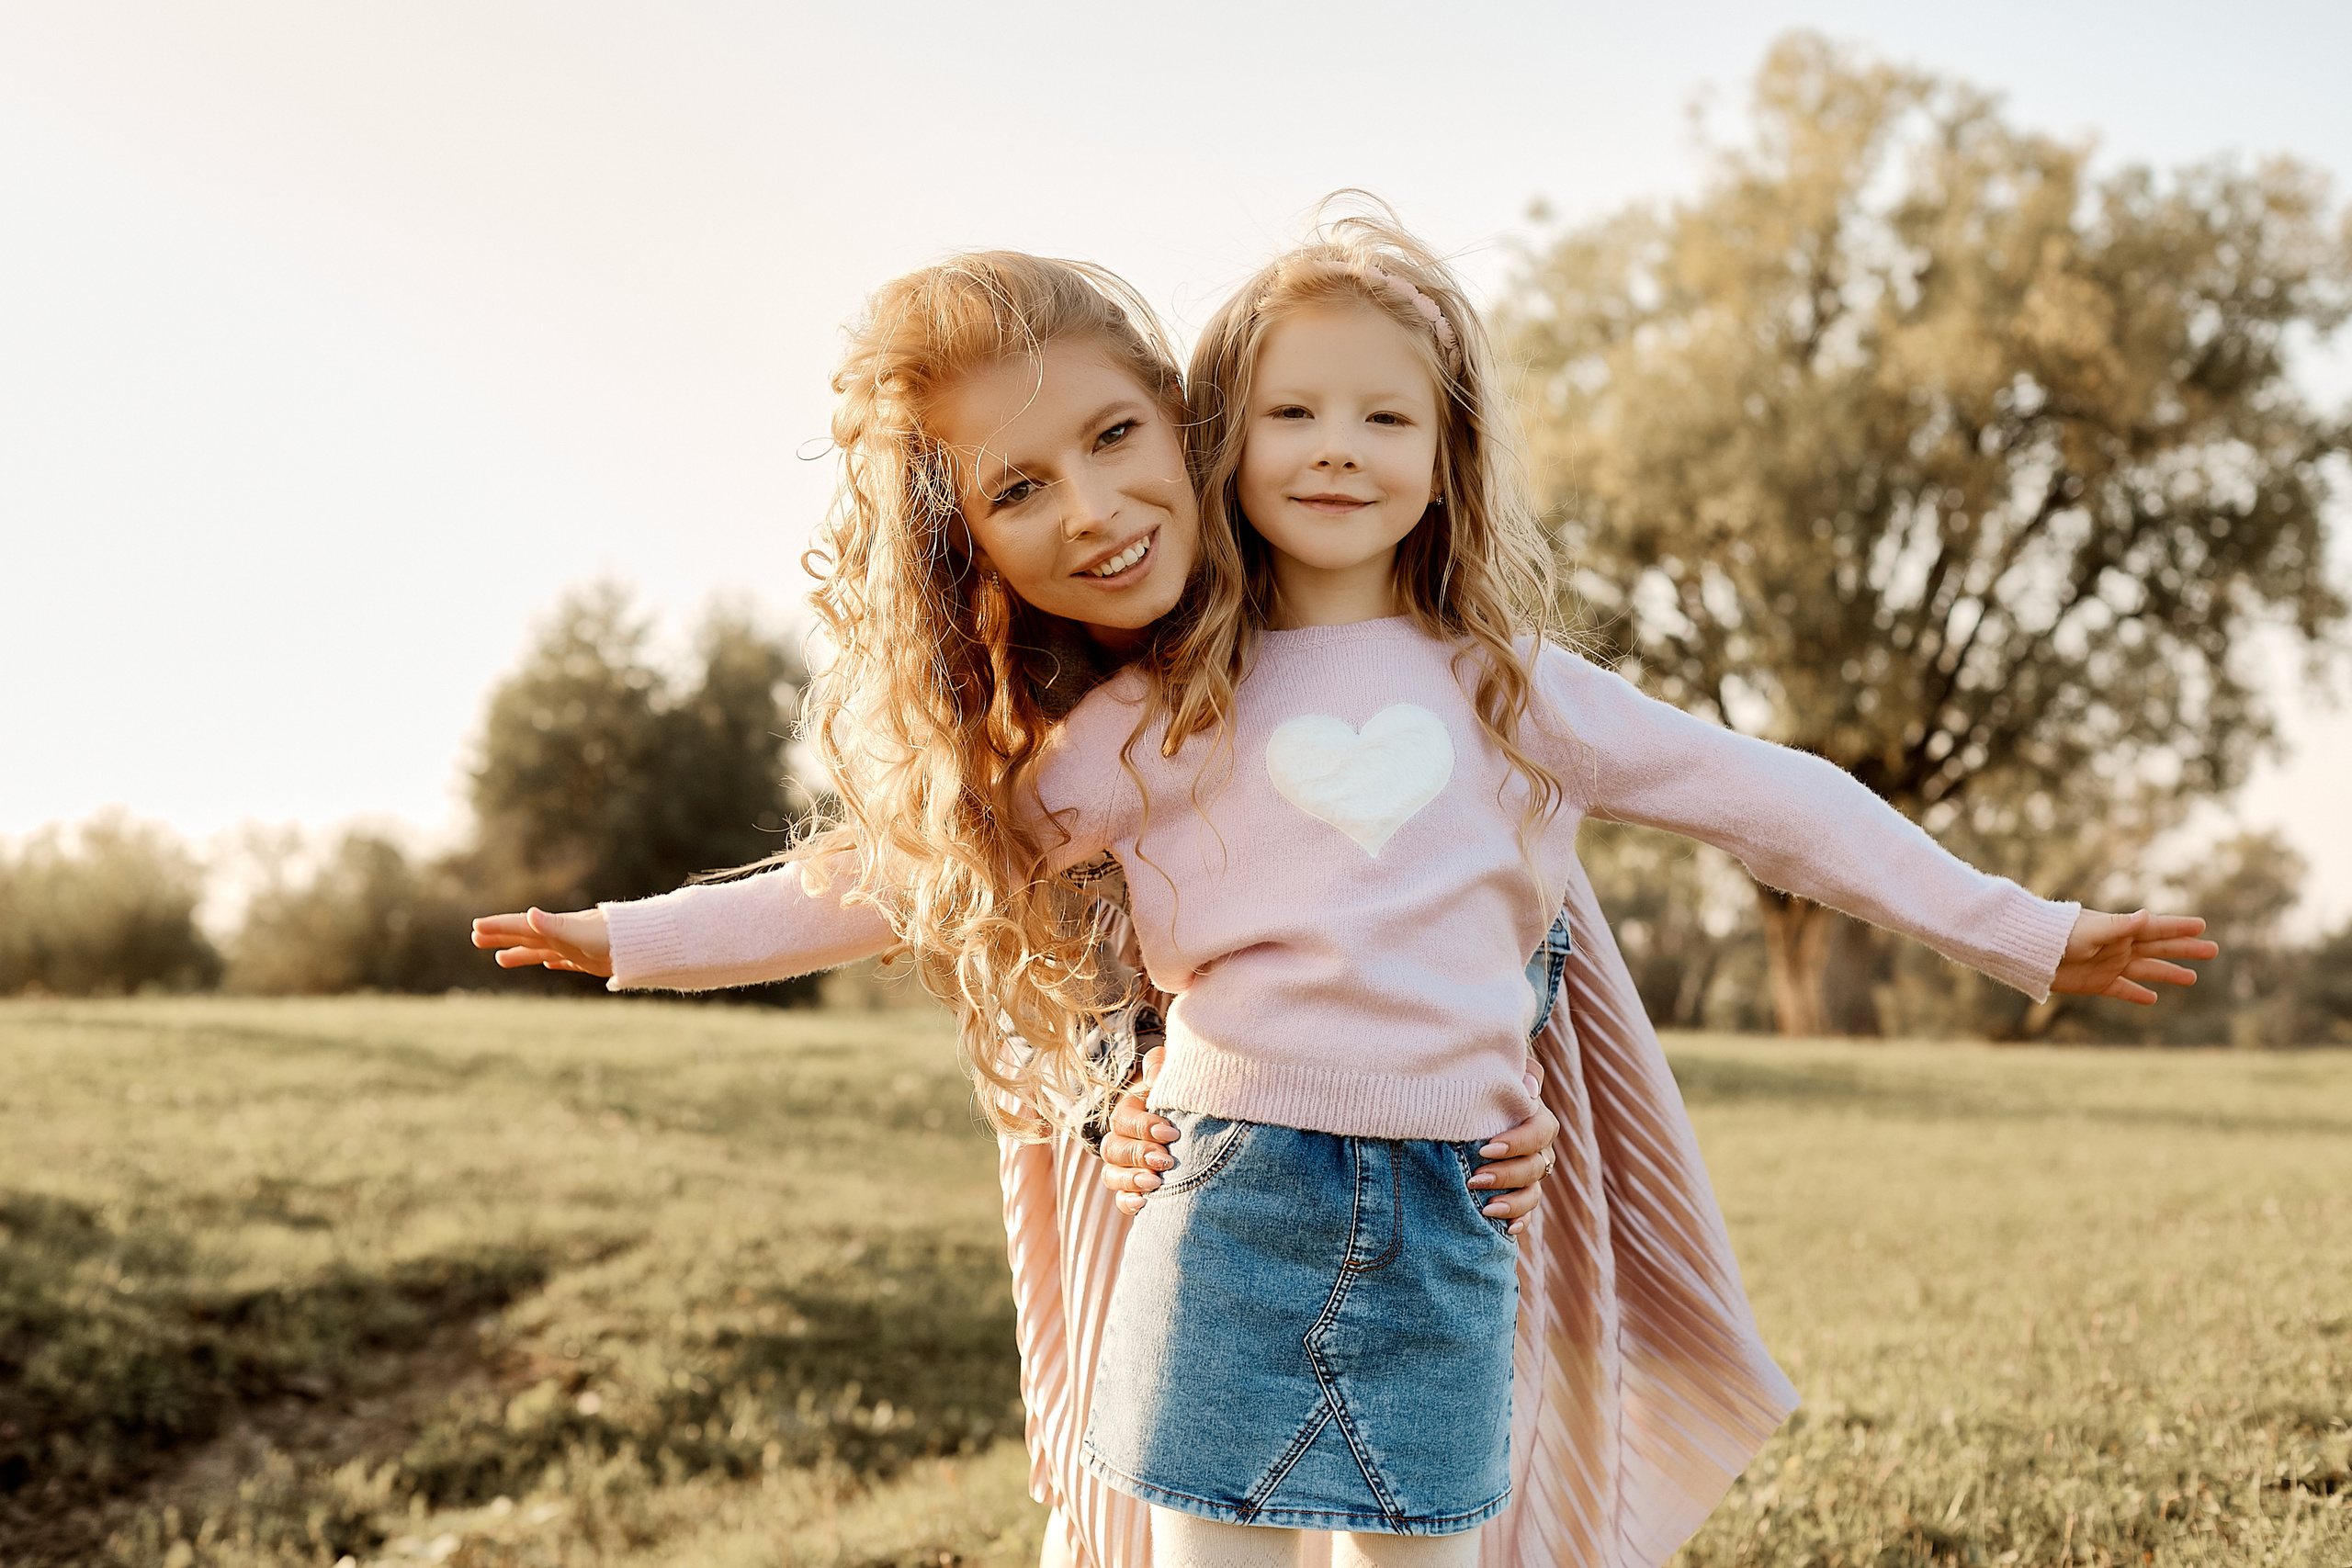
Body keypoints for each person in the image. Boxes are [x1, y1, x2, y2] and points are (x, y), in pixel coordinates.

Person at [479, 216, 2213, 1568]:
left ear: (1446, 449)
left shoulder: (1509, 690)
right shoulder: (1160, 714)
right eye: (1294, 413)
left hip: (1458, 1215)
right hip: (1225, 1204)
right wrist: (628, 937)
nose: (1335, 447)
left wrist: (2029, 934)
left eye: (1385, 414)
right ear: (1231, 436)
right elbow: (899, 876)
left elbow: (1774, 802)